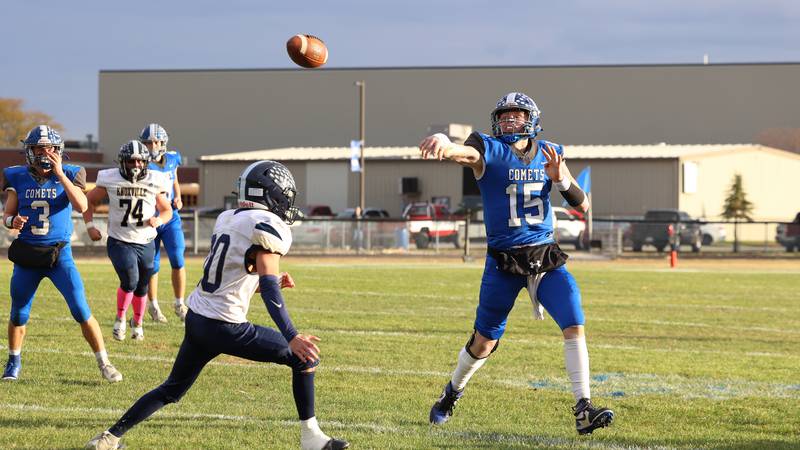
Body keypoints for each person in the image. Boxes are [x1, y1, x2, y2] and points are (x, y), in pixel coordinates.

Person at [85, 160, 348, 450]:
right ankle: (311, 440)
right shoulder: (267, 226)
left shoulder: (228, 218)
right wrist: (292, 335)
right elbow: (268, 283)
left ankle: (109, 438)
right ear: (270, 193)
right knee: (304, 358)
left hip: (198, 318)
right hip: (225, 325)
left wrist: (259, 283)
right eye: (283, 194)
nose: (286, 200)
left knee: (172, 389)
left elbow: (231, 274)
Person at [419, 92, 614, 435]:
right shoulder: (488, 147)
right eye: (505, 115)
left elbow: (583, 205)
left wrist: (561, 180)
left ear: (532, 119)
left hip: (545, 257)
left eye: (517, 115)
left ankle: (583, 408)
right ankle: (452, 393)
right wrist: (445, 143)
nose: (509, 121)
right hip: (504, 262)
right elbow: (465, 154)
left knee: (574, 322)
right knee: (484, 341)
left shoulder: (551, 152)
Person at [2, 125, 122, 383]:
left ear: (58, 151)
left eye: (50, 148)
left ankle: (104, 362)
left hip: (60, 256)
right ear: (30, 151)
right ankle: (13, 361)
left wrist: (59, 174)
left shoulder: (70, 172)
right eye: (38, 148)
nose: (44, 153)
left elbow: (82, 204)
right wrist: (13, 222)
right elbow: (7, 216)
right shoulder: (16, 176)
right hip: (28, 256)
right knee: (19, 312)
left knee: (80, 309)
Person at [84, 140, 172, 342]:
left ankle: (138, 323)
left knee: (142, 286)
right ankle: (120, 318)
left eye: (140, 161)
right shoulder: (110, 178)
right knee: (130, 280)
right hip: (120, 240)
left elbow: (167, 210)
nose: (137, 165)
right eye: (132, 161)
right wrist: (89, 226)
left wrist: (159, 220)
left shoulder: (154, 179)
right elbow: (88, 200)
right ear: (123, 162)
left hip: (147, 240)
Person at [139, 124, 187, 323]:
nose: (152, 146)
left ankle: (179, 303)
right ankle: (154, 305)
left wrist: (179, 197)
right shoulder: (139, 163)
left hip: (171, 216)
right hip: (151, 218)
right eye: (148, 142)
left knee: (178, 259)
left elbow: (174, 179)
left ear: (163, 142)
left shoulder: (173, 158)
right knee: (152, 264)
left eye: (156, 142)